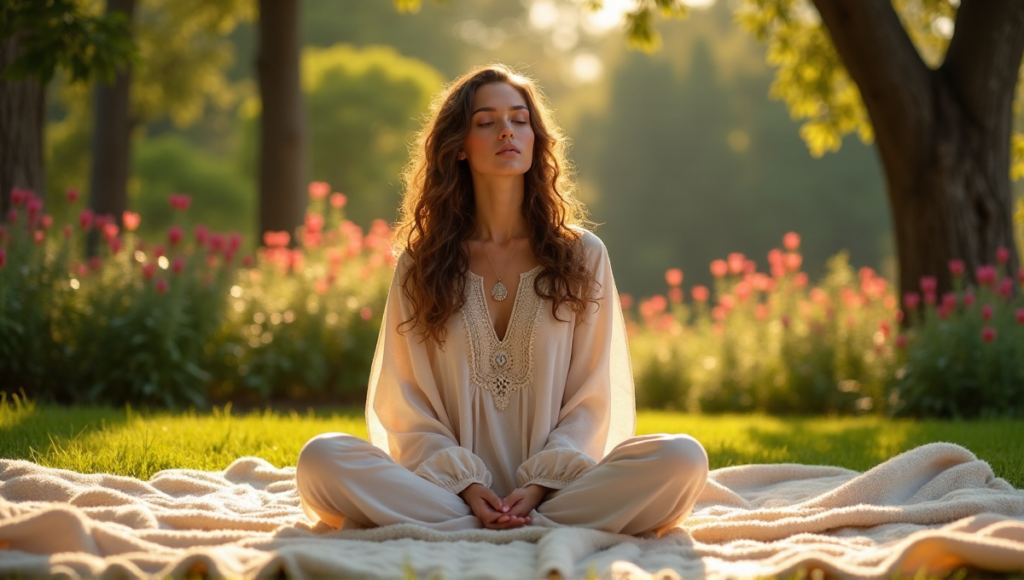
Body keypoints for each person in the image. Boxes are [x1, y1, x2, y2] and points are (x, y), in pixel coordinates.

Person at [295, 64, 708, 535]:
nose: (507, 131)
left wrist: (539, 485)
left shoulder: (582, 255)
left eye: (519, 119)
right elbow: (407, 403)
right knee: (322, 459)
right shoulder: (421, 262)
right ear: (460, 147)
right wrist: (468, 487)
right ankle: (496, 521)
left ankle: (508, 521)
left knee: (682, 458)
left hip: (558, 491)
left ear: (535, 139)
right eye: (487, 121)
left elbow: (591, 400)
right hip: (448, 492)